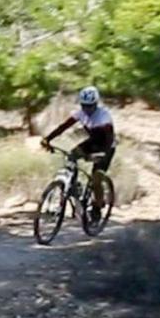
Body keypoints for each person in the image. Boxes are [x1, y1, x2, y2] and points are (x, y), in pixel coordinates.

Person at [41, 86, 116, 221]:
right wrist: (48, 139)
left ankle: (97, 207)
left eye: (90, 106)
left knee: (96, 177)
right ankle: (73, 187)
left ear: (96, 104)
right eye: (84, 106)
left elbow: (109, 139)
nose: (87, 109)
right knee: (71, 156)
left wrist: (101, 155)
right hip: (92, 142)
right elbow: (63, 127)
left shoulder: (103, 117)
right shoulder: (80, 113)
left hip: (107, 146)